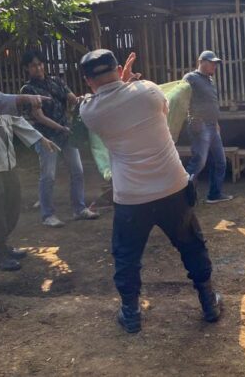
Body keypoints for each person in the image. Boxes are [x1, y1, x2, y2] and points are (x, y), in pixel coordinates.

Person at [79, 49, 222, 334]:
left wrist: (120, 85)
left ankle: (131, 314)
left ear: (87, 81)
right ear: (119, 68)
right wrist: (130, 83)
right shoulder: (148, 91)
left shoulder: (89, 111)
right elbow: (164, 113)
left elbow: (105, 100)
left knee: (127, 257)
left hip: (131, 197)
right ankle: (208, 303)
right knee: (192, 246)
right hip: (172, 187)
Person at [0, 52, 60, 271]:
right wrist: (25, 98)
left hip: (4, 164)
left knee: (11, 206)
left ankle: (3, 246)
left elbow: (16, 121)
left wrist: (41, 139)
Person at [20, 50, 99, 227]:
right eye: (33, 65)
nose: (38, 68)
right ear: (27, 68)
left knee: (77, 171)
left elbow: (72, 99)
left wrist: (85, 100)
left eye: (40, 64)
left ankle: (79, 209)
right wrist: (61, 127)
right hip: (46, 137)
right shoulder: (28, 90)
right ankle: (48, 215)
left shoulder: (56, 81)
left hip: (66, 134)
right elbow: (39, 117)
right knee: (48, 176)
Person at [182, 50, 233, 204]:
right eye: (211, 63)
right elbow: (182, 100)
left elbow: (211, 104)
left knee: (220, 161)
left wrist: (216, 123)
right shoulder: (190, 78)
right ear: (201, 61)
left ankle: (214, 194)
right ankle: (183, 197)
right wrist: (192, 118)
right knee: (199, 162)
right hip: (200, 125)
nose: (214, 66)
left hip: (212, 126)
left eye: (215, 64)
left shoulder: (210, 80)